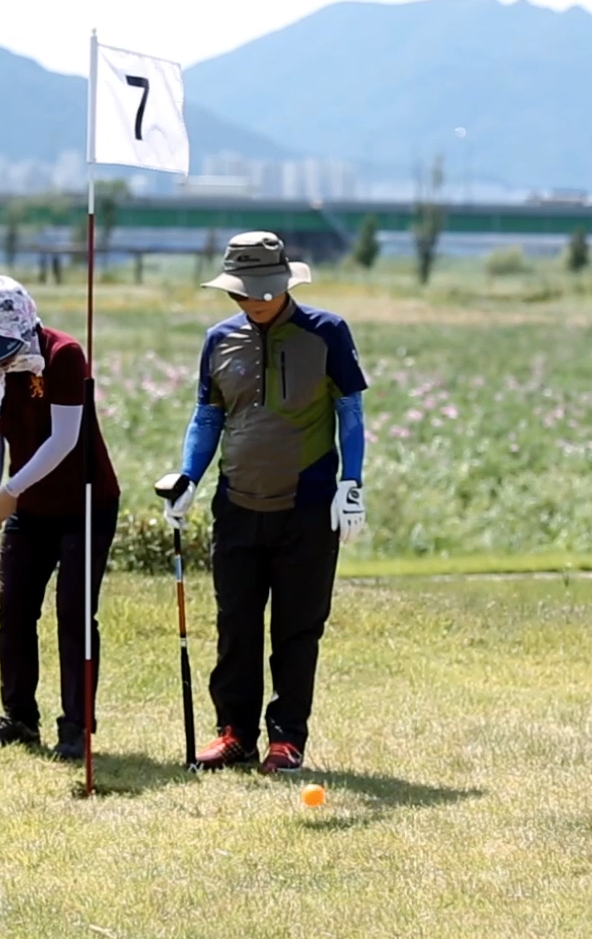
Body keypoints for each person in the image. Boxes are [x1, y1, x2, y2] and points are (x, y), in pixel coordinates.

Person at [158, 232, 369, 775]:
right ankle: (234, 734)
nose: (251, 301)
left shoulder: (327, 333)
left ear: (283, 284)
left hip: (309, 504)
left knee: (297, 628)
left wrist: (353, 484)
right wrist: (188, 479)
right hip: (236, 502)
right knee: (237, 625)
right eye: (241, 293)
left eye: (261, 291)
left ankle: (286, 738)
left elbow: (350, 411)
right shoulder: (218, 340)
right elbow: (207, 418)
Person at [0, 275, 121, 761]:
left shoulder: (63, 355)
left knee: (73, 613)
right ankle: (19, 719)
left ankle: (76, 728)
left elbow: (64, 440)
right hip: (27, 507)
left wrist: (9, 491)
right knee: (15, 613)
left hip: (84, 502)